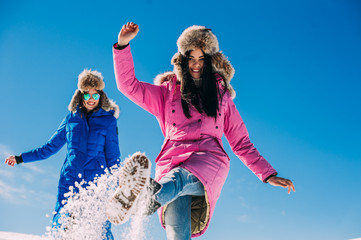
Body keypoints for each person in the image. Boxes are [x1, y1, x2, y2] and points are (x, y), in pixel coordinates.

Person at [112, 22, 295, 240]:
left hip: (208, 161)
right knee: (177, 234)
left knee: (179, 178)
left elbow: (241, 142)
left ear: (209, 62)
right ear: (183, 60)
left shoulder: (222, 97)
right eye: (191, 58)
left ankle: (142, 199)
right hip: (171, 161)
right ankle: (140, 197)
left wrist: (268, 174)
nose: (196, 65)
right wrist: (122, 46)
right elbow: (128, 86)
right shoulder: (167, 93)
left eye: (201, 59)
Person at [5, 69, 121, 240]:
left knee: (99, 229)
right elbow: (49, 147)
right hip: (70, 181)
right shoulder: (71, 119)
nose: (90, 100)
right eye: (87, 95)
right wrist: (21, 158)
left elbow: (113, 157)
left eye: (95, 96)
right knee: (63, 227)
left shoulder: (109, 121)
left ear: (100, 97)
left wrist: (121, 184)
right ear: (80, 96)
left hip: (96, 182)